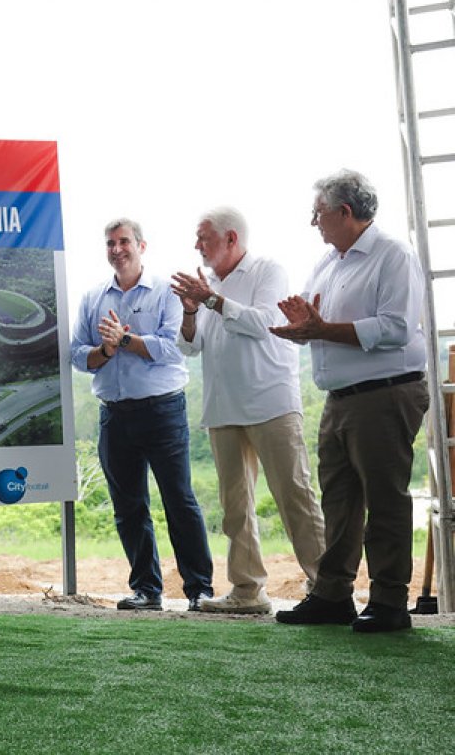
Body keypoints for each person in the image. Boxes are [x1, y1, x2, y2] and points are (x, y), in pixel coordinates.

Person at [271, 169, 428, 633]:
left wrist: (320, 330)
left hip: (384, 394)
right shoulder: (328, 262)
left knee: (384, 499)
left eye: (318, 213)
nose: (313, 222)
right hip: (340, 398)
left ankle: (389, 601)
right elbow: (322, 322)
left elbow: (397, 327)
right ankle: (333, 594)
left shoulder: (392, 255)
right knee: (338, 499)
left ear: (344, 212)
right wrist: (305, 327)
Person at [171, 207, 326, 614]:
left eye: (203, 237)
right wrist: (191, 310)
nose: (197, 245)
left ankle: (328, 587)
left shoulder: (267, 271)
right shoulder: (209, 286)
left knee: (295, 497)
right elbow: (189, 347)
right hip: (223, 408)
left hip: (270, 403)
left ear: (231, 239)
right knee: (235, 507)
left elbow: (263, 323)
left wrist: (211, 300)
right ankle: (247, 590)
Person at [71, 218, 214, 611]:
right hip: (114, 416)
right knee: (129, 506)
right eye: (110, 243)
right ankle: (147, 589)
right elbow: (77, 354)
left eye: (124, 242)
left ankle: (200, 589)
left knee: (179, 500)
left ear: (141, 246)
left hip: (162, 411)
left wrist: (126, 340)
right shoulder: (92, 297)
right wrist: (106, 352)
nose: (117, 249)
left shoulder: (166, 293)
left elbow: (173, 349)